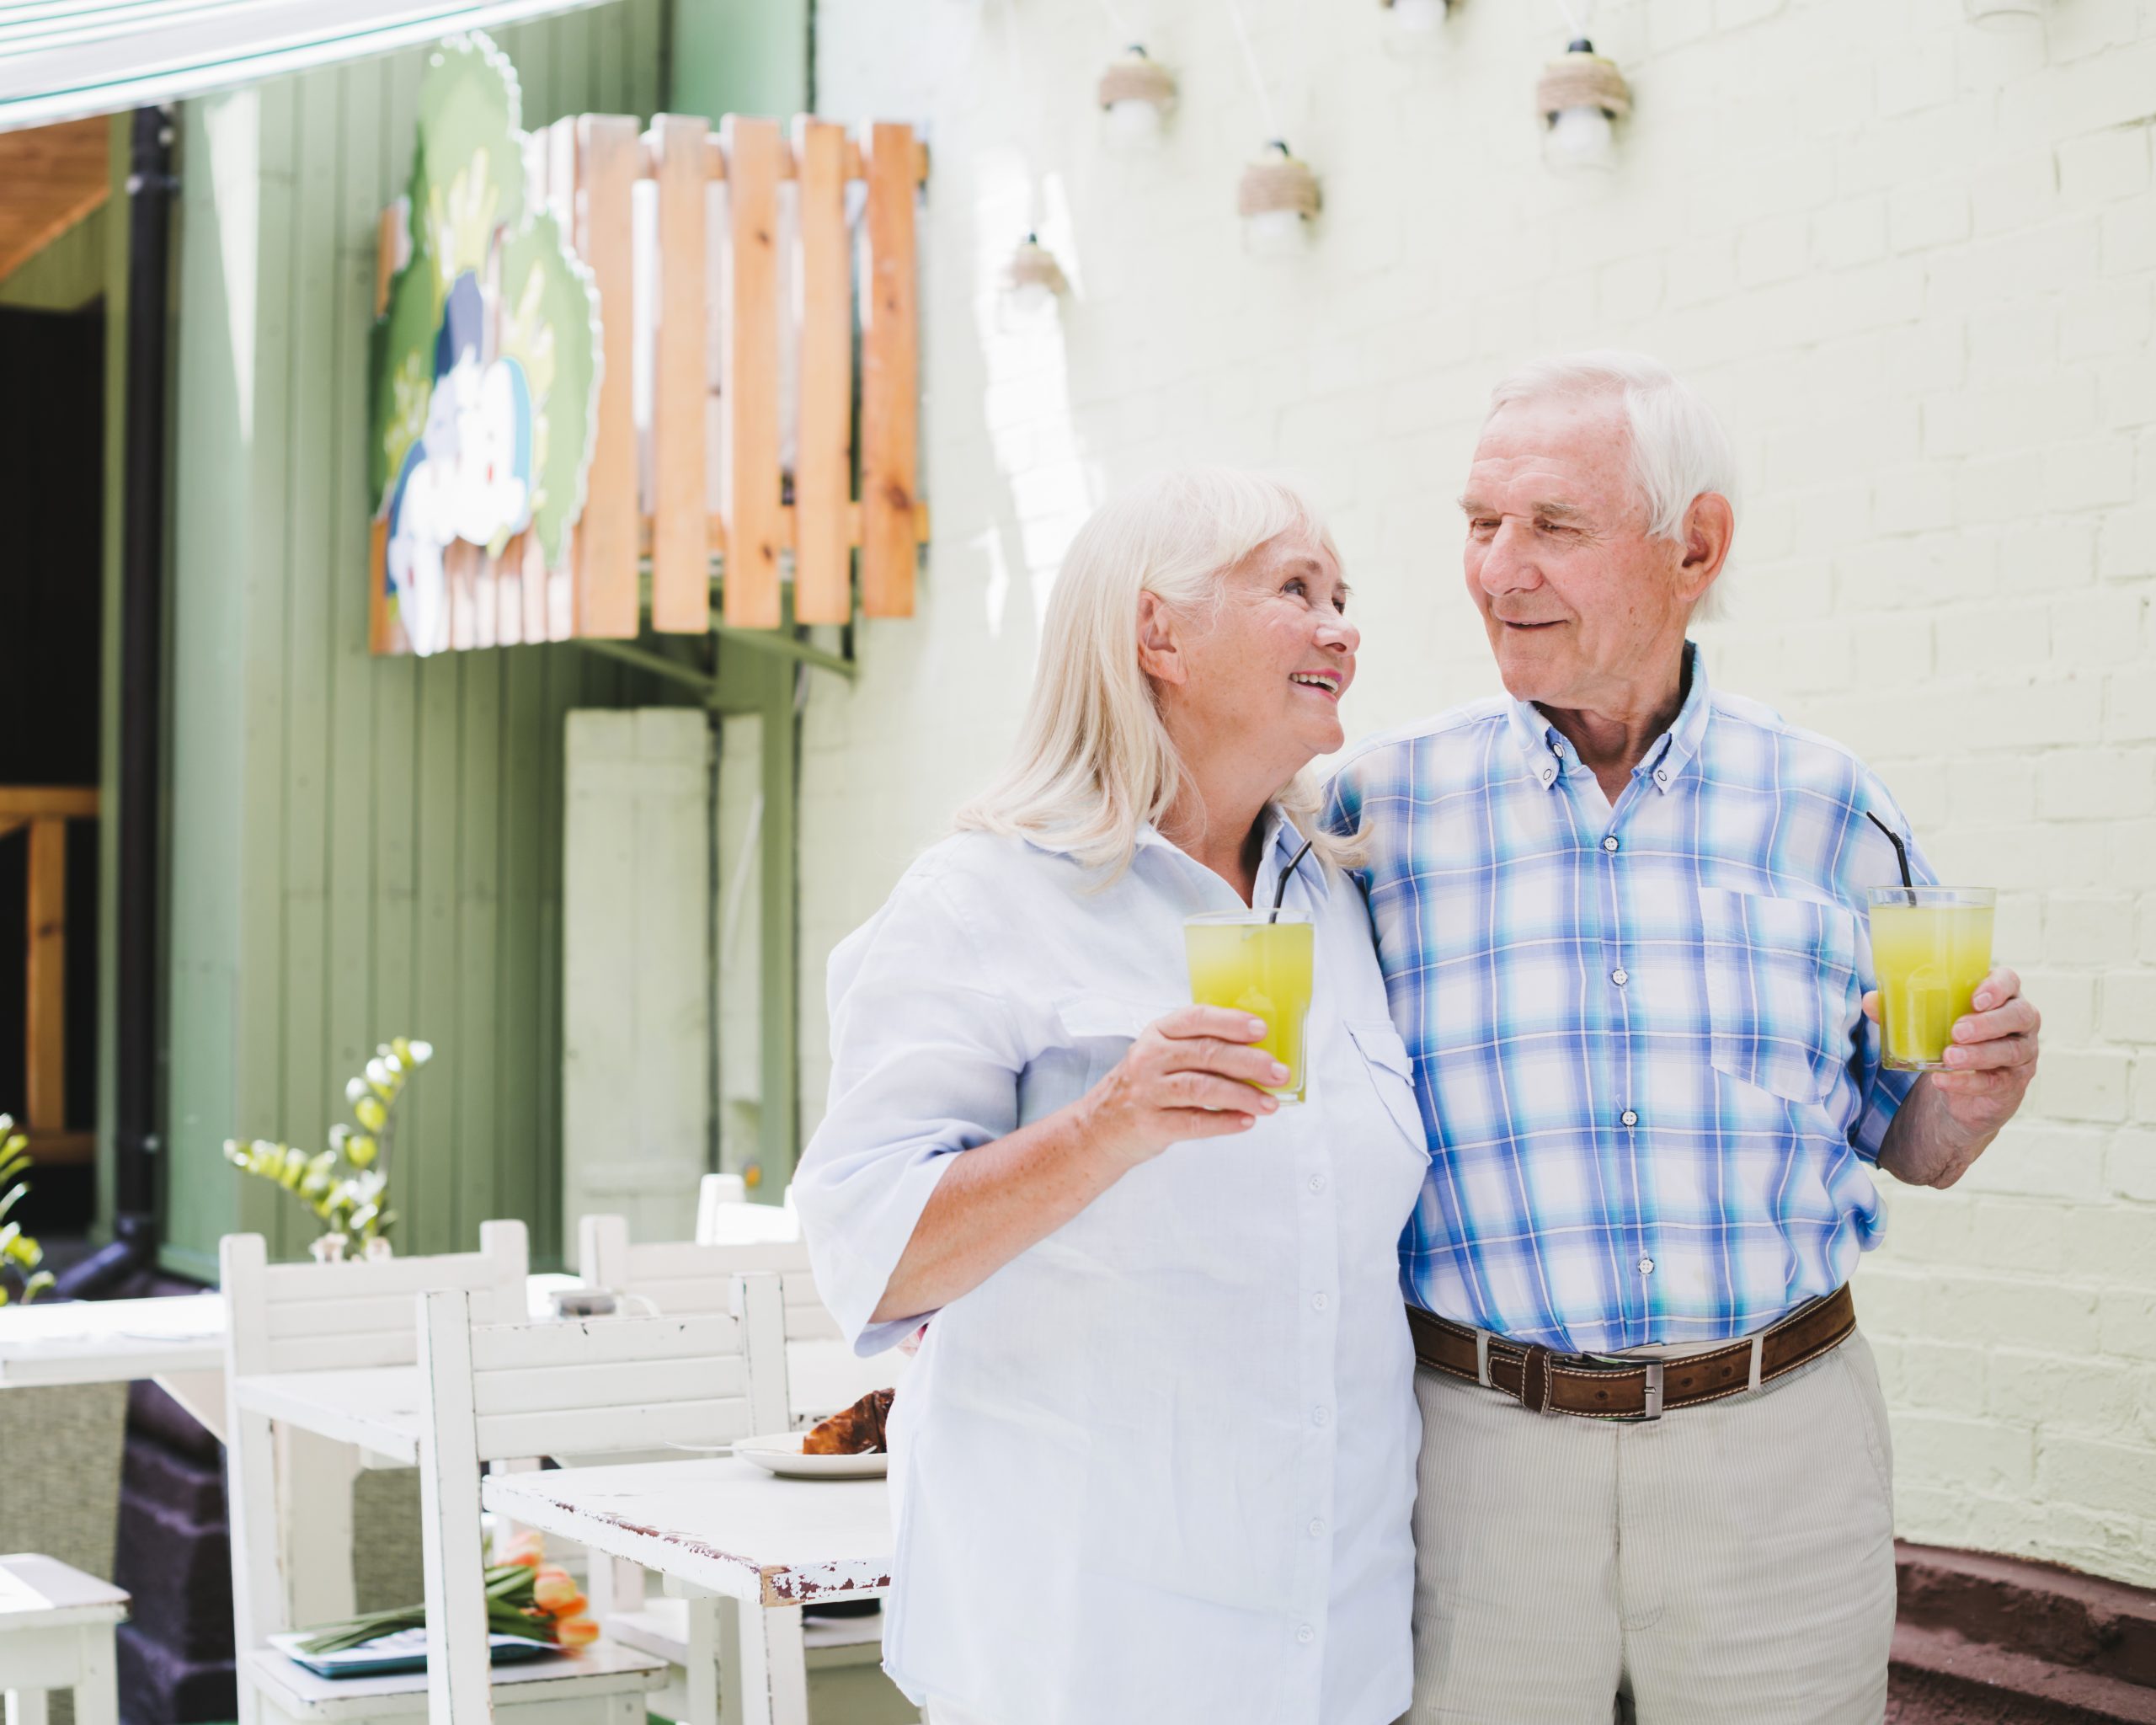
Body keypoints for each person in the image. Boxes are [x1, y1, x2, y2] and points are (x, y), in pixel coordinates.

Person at [1328, 352, 2041, 1725]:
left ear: (1694, 546)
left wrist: (1974, 1097)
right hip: (1477, 1463)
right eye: (1480, 525)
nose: (1496, 569)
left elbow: (1916, 1137)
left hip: (1777, 1462)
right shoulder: (1368, 817)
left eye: (1552, 527)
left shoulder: (1833, 808)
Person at [792, 467, 1427, 1725]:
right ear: (1159, 633)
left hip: (1331, 1643)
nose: (1342, 626)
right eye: (1295, 589)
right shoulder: (985, 896)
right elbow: (868, 1250)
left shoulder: (1337, 894)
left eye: (1343, 596)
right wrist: (1108, 1124)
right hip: (1085, 1646)